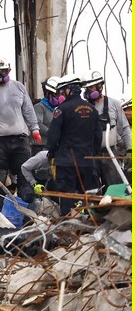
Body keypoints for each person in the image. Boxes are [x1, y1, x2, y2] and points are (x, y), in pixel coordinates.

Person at [0, 58, 40, 204]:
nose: (0, 74)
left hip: (20, 139)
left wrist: (35, 128)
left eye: (3, 71)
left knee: (25, 173)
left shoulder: (19, 87)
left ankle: (27, 210)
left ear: (9, 70)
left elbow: (28, 109)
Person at [47, 73, 103, 213]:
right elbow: (98, 137)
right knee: (88, 196)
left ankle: (67, 225)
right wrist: (93, 154)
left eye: (61, 91)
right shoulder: (93, 110)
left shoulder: (61, 110)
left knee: (67, 197)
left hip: (66, 162)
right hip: (88, 162)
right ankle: (89, 225)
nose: (60, 94)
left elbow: (53, 136)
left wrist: (52, 152)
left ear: (68, 90)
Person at [81, 70, 132, 185]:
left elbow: (124, 128)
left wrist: (130, 150)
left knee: (114, 185)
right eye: (86, 89)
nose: (87, 91)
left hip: (110, 154)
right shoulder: (83, 107)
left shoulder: (114, 104)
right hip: (90, 154)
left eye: (91, 88)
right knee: (91, 188)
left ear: (100, 87)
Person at [34, 77, 63, 149]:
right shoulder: (39, 107)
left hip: (55, 144)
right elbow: (38, 124)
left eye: (60, 94)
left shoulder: (58, 109)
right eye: (56, 94)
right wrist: (52, 133)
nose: (58, 97)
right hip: (41, 146)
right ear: (47, 93)